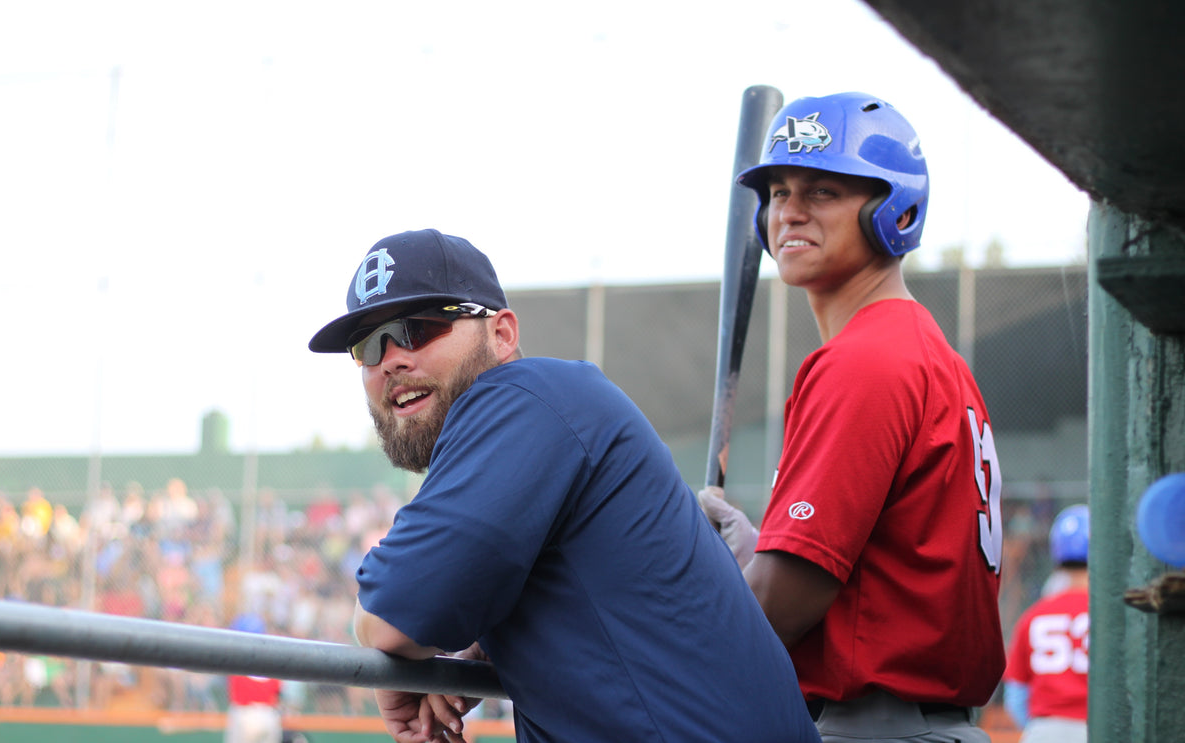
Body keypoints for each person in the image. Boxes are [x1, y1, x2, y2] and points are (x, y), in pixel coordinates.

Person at [308, 229, 819, 743]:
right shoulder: (546, 417)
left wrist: (393, 643)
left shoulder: (524, 400)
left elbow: (391, 613)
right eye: (368, 345)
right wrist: (459, 650)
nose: (391, 359)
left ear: (502, 335)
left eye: (418, 329)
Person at [700, 92, 1006, 742]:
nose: (789, 211)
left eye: (823, 190)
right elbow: (870, 577)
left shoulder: (864, 361)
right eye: (778, 190)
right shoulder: (924, 352)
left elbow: (775, 612)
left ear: (892, 207)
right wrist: (759, 552)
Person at [1003, 504, 1089, 742]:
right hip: (1096, 729)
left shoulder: (1033, 616)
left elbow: (1016, 697)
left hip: (1043, 731)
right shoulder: (1110, 618)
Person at [224, 613, 284, 743]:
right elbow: (278, 694)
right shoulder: (273, 659)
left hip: (244, 715)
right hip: (269, 716)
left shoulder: (237, 659)